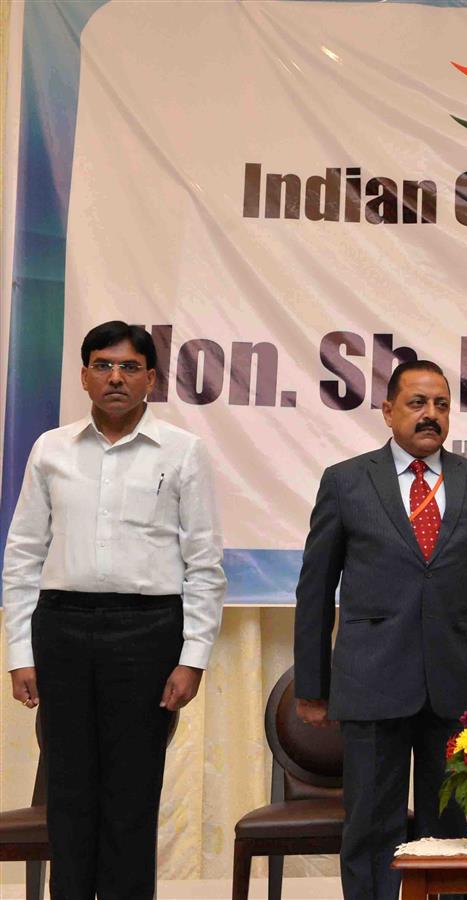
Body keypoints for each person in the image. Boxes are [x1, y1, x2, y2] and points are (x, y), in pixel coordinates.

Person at [3, 320, 226, 900]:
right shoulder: (50, 449)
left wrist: (192, 658)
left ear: (151, 378)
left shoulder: (183, 452)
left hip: (148, 633)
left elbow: (204, 565)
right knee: (69, 794)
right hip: (62, 629)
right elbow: (23, 556)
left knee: (132, 795)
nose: (116, 377)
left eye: (130, 367)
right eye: (103, 365)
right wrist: (19, 653)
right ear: (83, 376)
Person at [293, 359, 467, 900]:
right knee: (371, 828)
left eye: (440, 404)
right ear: (388, 411)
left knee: (459, 831)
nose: (430, 415)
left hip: (459, 688)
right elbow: (315, 590)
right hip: (372, 684)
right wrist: (312, 687)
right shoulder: (346, 482)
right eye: (417, 404)